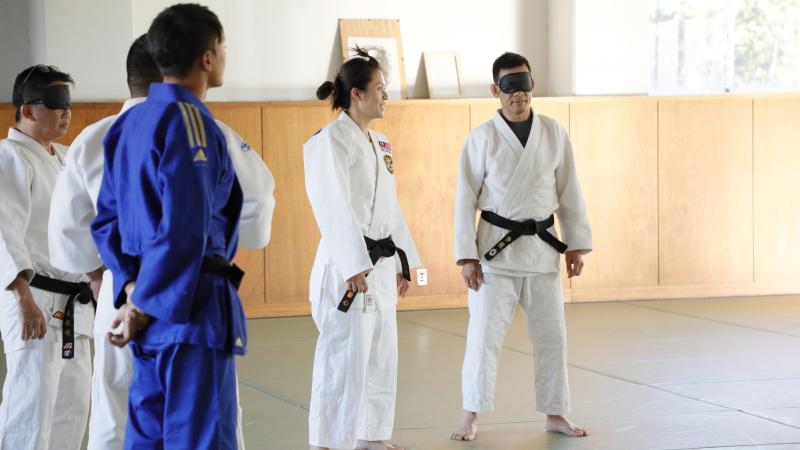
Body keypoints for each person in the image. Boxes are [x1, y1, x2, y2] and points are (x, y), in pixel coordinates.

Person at [49, 33, 275, 450]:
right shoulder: (211, 131)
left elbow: (66, 229)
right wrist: (215, 249)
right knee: (206, 420)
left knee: (117, 416)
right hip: (193, 291)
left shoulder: (97, 137)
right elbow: (256, 217)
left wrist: (102, 276)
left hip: (122, 293)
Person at [91, 4, 246, 448]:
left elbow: (106, 221)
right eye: (223, 46)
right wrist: (142, 304)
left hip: (149, 314)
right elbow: (184, 228)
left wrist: (130, 291)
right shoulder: (194, 123)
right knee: (199, 439)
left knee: (150, 437)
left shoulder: (128, 125)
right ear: (207, 58)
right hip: (189, 312)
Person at [450, 52, 593, 441]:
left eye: (524, 83)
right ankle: (471, 414)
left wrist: (576, 245)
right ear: (496, 90)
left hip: (542, 251)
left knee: (552, 336)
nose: (519, 94)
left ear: (533, 85)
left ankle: (556, 412)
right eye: (510, 86)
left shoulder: (553, 132)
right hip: (494, 254)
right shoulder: (480, 138)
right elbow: (465, 200)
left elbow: (569, 191)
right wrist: (466, 256)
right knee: (483, 337)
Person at [304, 48, 420, 450]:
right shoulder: (328, 142)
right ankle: (327, 442)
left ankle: (370, 436)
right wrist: (352, 261)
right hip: (346, 269)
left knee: (381, 355)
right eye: (380, 88)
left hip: (383, 267)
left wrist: (407, 261)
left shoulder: (381, 142)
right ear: (357, 94)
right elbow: (330, 204)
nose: (385, 95)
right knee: (343, 359)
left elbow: (391, 207)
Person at [0, 64, 93, 449]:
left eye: (68, 104)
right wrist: (21, 298)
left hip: (76, 303)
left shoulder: (68, 158)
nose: (66, 113)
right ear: (27, 109)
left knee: (73, 411)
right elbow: (3, 231)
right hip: (33, 300)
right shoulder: (9, 157)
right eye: (56, 104)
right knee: (30, 411)